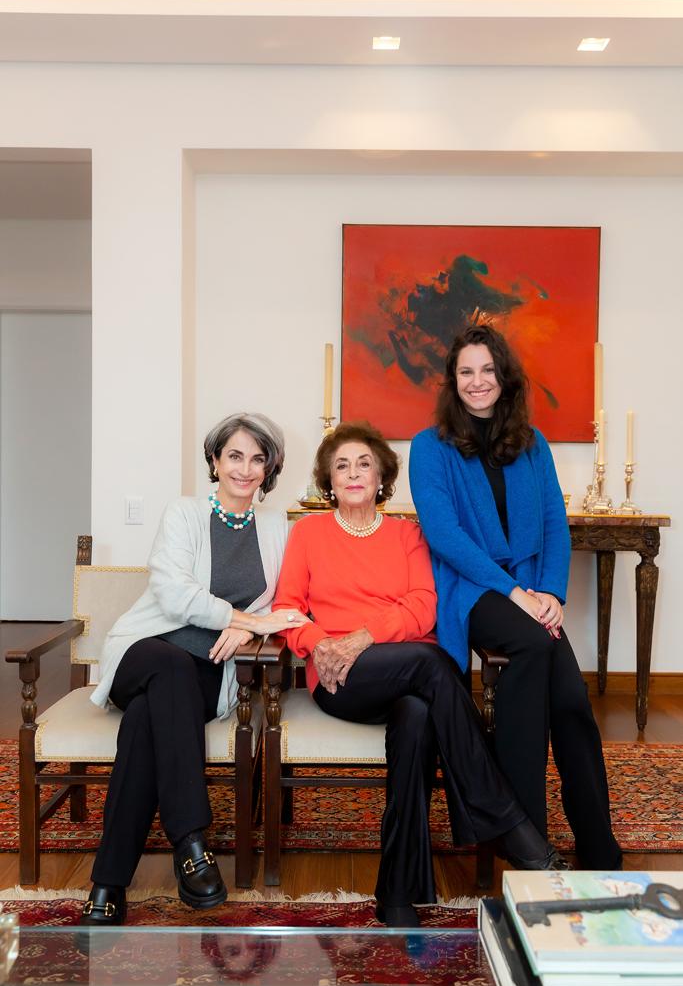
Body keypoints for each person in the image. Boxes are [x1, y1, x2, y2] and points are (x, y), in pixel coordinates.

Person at [273, 420, 568, 930]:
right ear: (329, 480)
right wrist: (320, 644)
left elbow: (424, 607)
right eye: (342, 466)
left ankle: (396, 894)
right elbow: (287, 609)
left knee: (415, 716)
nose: (354, 473)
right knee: (433, 665)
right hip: (343, 679)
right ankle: (507, 822)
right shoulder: (308, 533)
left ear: (381, 477)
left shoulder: (408, 534)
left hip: (408, 673)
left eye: (364, 463)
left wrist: (363, 635)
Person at [80, 413, 307, 927]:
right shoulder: (184, 513)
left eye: (257, 459)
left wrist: (250, 629)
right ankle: (189, 840)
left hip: (209, 671)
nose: (245, 469)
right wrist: (243, 618)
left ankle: (108, 883)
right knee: (170, 669)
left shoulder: (279, 528)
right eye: (234, 456)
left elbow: (289, 604)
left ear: (269, 468)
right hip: (145, 651)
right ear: (214, 460)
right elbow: (173, 593)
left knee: (145, 720)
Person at [409, 323, 622, 871]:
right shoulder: (430, 448)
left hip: (530, 590)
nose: (477, 381)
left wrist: (549, 592)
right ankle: (528, 837)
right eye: (466, 372)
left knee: (571, 701)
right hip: (470, 588)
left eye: (487, 370)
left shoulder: (532, 444)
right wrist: (512, 591)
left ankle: (598, 845)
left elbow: (554, 522)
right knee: (534, 646)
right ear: (452, 380)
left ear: (504, 377)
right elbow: (444, 534)